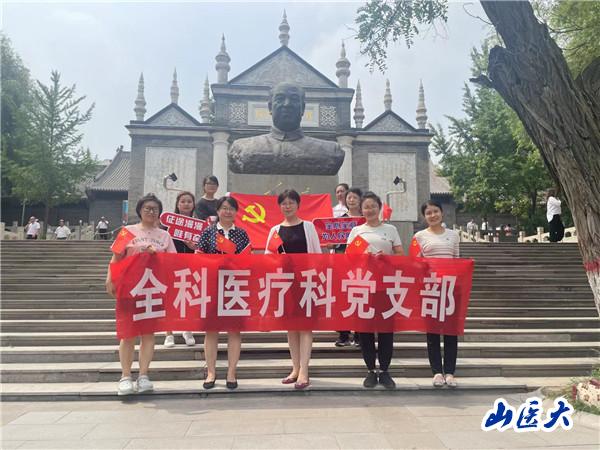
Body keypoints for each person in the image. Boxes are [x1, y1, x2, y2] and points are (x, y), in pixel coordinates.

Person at [105, 193, 176, 396]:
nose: (151, 212)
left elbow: (172, 261)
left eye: (155, 209)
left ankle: (143, 375)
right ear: (140, 211)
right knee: (128, 333)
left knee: (148, 333)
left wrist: (156, 255)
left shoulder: (164, 236)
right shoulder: (127, 231)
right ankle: (125, 376)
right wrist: (110, 278)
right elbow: (116, 257)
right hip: (129, 287)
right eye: (148, 208)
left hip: (153, 288)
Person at [265, 189, 322, 389]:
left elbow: (317, 255)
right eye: (284, 203)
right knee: (291, 327)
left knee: (305, 327)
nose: (287, 206)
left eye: (291, 202)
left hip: (306, 282)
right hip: (285, 284)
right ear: (279, 206)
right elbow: (268, 258)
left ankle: (304, 371)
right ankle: (295, 368)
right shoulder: (274, 231)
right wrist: (278, 262)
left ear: (298, 205)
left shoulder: (308, 227)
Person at [346, 191, 403, 389]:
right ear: (361, 210)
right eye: (366, 207)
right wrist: (364, 257)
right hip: (363, 285)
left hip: (386, 286)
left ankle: (385, 371)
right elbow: (348, 257)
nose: (369, 210)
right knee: (365, 330)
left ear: (379, 208)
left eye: (373, 206)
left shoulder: (391, 229)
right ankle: (370, 370)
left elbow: (400, 255)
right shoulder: (356, 231)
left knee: (386, 330)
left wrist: (385, 258)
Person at [197, 196, 251, 390]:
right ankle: (211, 372)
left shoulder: (242, 234)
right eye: (224, 208)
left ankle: (231, 372)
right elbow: (199, 257)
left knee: (234, 330)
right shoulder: (208, 232)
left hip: (235, 286)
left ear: (236, 212)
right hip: (212, 285)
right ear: (217, 211)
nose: (227, 212)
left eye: (231, 208)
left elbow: (248, 259)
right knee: (211, 330)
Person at [412, 200, 461, 388]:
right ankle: (437, 372)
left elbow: (457, 260)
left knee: (450, 332)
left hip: (450, 288)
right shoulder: (419, 237)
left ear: (442, 213)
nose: (433, 215)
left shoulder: (453, 235)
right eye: (429, 213)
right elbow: (415, 263)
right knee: (432, 333)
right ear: (424, 216)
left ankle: (450, 372)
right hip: (430, 288)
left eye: (435, 211)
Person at [164, 191, 198, 349]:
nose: (186, 204)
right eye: (183, 201)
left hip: (191, 265)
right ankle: (169, 333)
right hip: (171, 265)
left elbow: (204, 247)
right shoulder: (167, 224)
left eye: (189, 201)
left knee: (189, 297)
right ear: (177, 204)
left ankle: (187, 330)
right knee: (170, 298)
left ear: (193, 204)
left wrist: (194, 246)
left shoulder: (199, 225)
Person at [335, 187, 363, 348]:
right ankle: (343, 335)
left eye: (354, 197)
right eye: (349, 197)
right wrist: (330, 243)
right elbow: (335, 243)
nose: (351, 200)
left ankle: (360, 335)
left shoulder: (366, 220)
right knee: (343, 300)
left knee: (360, 299)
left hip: (362, 266)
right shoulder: (340, 220)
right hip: (344, 264)